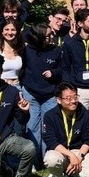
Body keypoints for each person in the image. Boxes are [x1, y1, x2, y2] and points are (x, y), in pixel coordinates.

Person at [42, 83, 89, 177]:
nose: (73, 101)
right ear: (59, 100)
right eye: (68, 98)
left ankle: (68, 174)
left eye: (75, 97)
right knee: (51, 159)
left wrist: (78, 158)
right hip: (60, 151)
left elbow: (88, 140)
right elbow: (51, 141)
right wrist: (71, 156)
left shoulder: (86, 114)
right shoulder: (50, 116)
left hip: (79, 151)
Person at [22, 23, 63, 169]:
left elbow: (63, 69)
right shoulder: (26, 51)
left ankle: (48, 160)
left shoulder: (56, 50)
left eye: (51, 34)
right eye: (48, 35)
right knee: (32, 128)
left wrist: (54, 72)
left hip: (49, 95)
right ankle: (33, 162)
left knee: (48, 128)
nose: (52, 37)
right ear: (38, 38)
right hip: (31, 94)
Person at [0, 18, 24, 87]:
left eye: (13, 30)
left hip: (17, 86)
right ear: (2, 31)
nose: (10, 33)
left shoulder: (21, 50)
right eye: (6, 29)